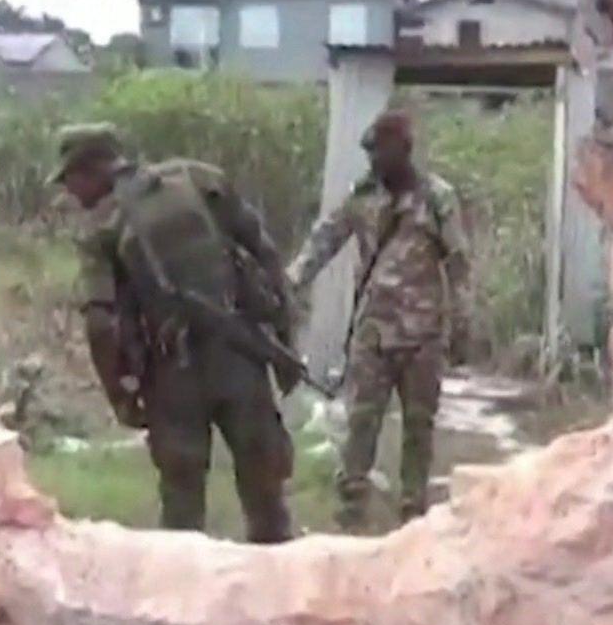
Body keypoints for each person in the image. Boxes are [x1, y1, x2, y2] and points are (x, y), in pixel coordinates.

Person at [49, 123, 298, 544]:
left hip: (172, 374)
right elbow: (265, 251)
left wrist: (120, 395)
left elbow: (100, 323)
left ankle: (183, 597)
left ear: (91, 169)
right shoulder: (197, 178)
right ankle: (278, 586)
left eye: (71, 179)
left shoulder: (102, 228)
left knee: (182, 508)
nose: (71, 192)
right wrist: (283, 335)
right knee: (265, 491)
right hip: (242, 355)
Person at [288, 109, 473, 531]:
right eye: (370, 154)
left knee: (418, 427)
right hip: (373, 333)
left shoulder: (437, 198)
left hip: (423, 336)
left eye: (380, 153)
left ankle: (413, 510)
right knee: (360, 422)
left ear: (403, 151)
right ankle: (351, 508)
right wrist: (293, 280)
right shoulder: (363, 196)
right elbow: (325, 239)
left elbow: (458, 262)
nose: (373, 162)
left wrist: (463, 322)